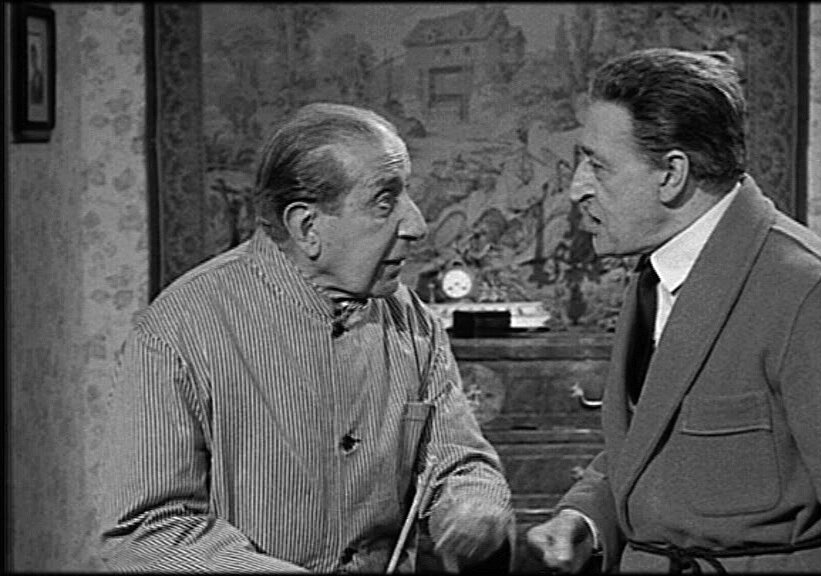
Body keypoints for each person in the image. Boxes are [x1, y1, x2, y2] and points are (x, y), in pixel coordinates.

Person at [526, 48, 821, 573]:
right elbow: (656, 441)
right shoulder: (657, 273)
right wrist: (586, 516)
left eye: (597, 166)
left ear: (672, 174)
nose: (576, 188)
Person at [101, 103, 514, 572]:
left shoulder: (412, 320)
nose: (417, 225)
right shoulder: (178, 331)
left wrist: (473, 505)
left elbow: (459, 462)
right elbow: (148, 531)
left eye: (407, 194)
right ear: (307, 227)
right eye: (384, 201)